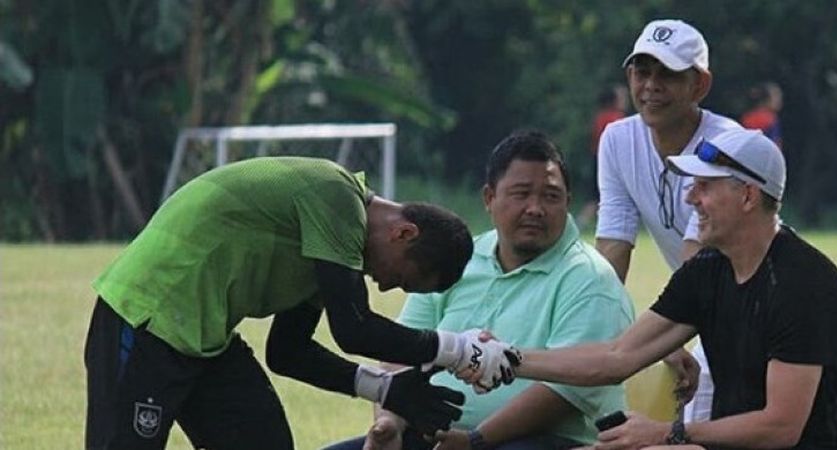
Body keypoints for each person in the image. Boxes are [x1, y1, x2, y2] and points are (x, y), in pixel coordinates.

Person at [84, 156, 522, 450]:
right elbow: (354, 328)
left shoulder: (330, 248)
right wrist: (459, 350)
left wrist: (385, 388)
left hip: (203, 339)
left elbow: (288, 353)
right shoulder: (334, 197)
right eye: (401, 278)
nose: (385, 287)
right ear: (403, 233)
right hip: (144, 318)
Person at [495, 129, 837, 449]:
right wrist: (507, 359)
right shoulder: (708, 270)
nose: (691, 198)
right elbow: (616, 356)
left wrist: (667, 433)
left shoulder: (802, 284)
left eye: (705, 186)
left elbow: (780, 427)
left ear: (747, 197)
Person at [324, 131, 637, 450]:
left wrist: (476, 440)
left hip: (543, 442)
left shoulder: (591, 278)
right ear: (489, 198)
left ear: (568, 202)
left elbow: (566, 393)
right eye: (521, 193)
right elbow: (400, 353)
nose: (535, 208)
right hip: (435, 434)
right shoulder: (458, 258)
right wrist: (390, 421)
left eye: (551, 196)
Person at [595, 18, 744, 421]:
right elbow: (612, 248)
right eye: (642, 71)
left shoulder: (723, 143)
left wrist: (659, 341)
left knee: (703, 429)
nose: (651, 85)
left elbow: (700, 259)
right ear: (629, 75)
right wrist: (597, 325)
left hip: (755, 305)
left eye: (668, 75)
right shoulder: (617, 139)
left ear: (699, 85)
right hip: (704, 303)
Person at [579, 85, 628, 228]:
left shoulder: (599, 116)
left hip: (596, 159)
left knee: (595, 199)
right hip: (608, 162)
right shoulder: (616, 119)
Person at [740, 82, 784, 148]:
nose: (779, 100)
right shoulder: (770, 119)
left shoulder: (747, 117)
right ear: (766, 99)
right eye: (776, 96)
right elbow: (775, 145)